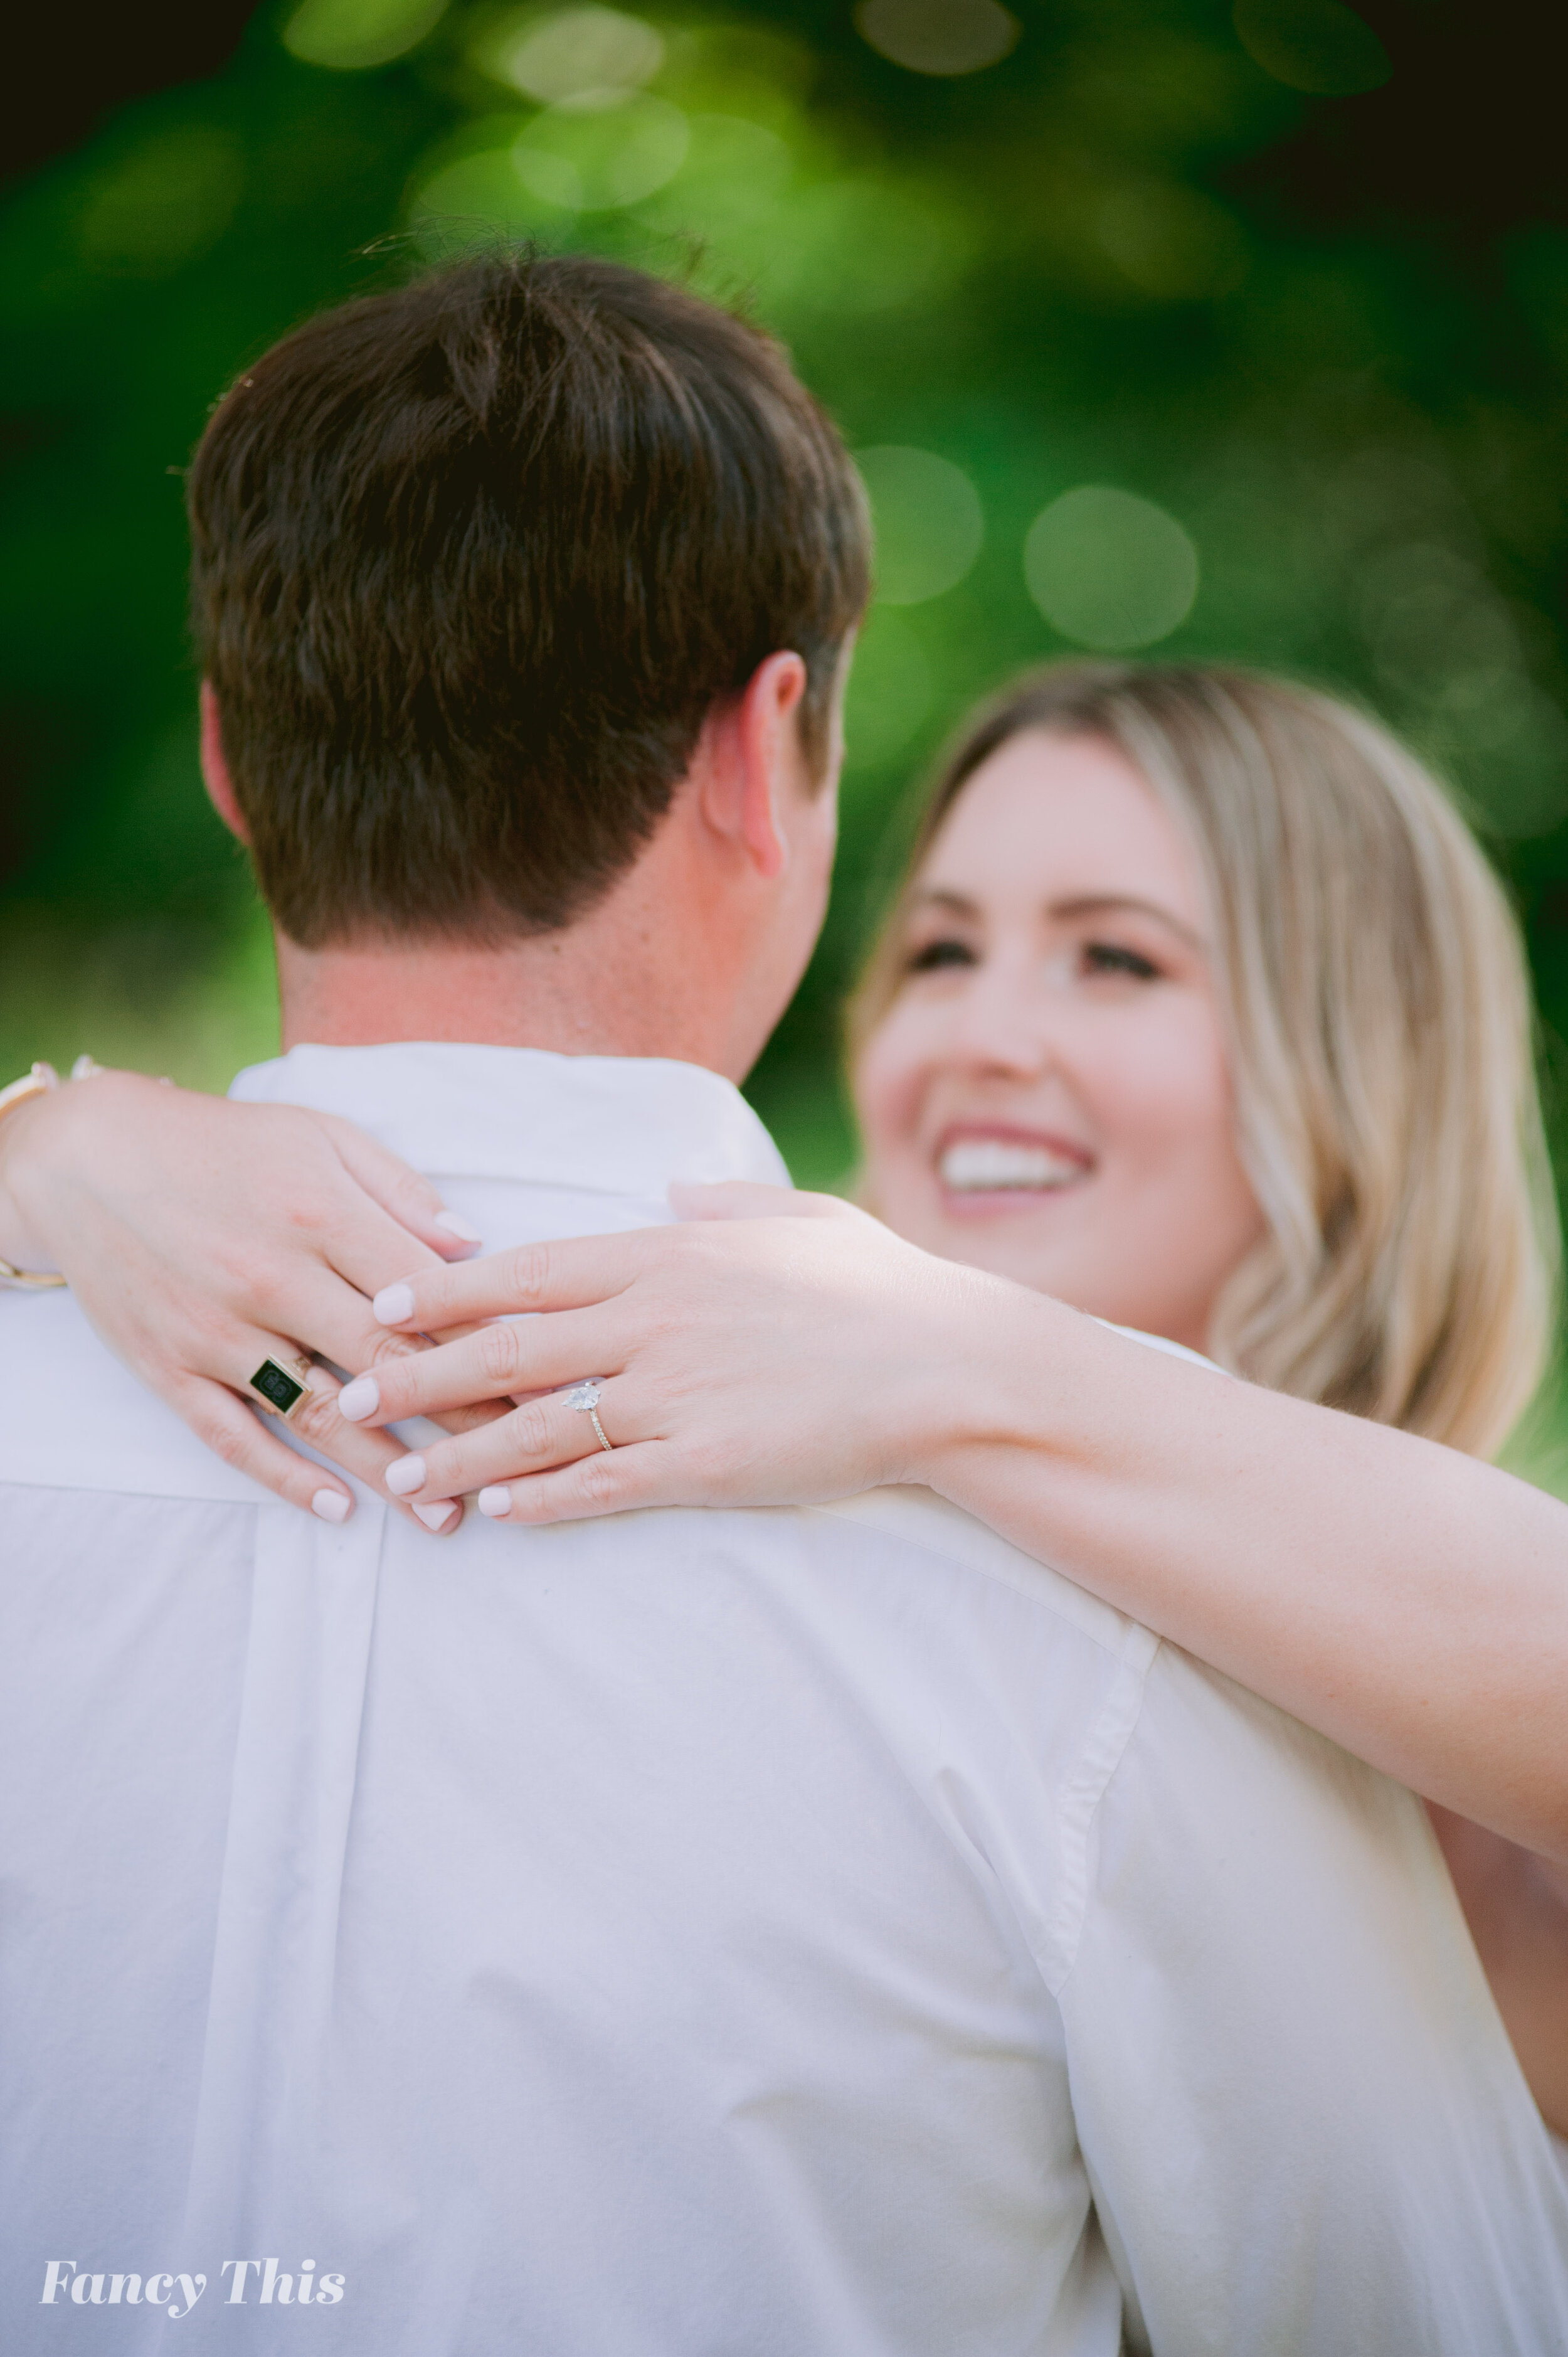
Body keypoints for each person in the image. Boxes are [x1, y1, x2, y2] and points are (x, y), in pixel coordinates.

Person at [2, 249, 1565, 2353]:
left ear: (225, 757)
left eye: (1118, 957)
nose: (990, 1039)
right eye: (945, 948)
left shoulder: (1100, 1550)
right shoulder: (1065, 1636)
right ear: (769, 751)